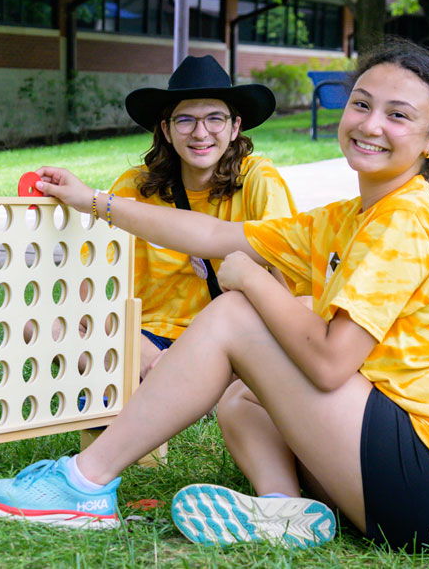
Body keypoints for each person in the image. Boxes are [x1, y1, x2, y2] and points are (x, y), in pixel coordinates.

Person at [0, 39, 429, 552]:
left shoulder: (404, 220)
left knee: (235, 314)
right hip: (422, 480)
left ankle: (82, 485)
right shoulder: (355, 214)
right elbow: (211, 235)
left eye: (398, 115)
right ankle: (284, 512)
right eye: (361, 104)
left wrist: (250, 281)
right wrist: (92, 201)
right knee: (242, 398)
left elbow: (328, 364)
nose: (370, 124)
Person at [111, 54, 296, 378]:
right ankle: (162, 373)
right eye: (185, 120)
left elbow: (288, 283)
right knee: (38, 323)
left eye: (215, 118)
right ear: (166, 130)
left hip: (223, 339)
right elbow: (93, 286)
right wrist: (142, 350)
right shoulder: (133, 187)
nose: (200, 133)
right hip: (140, 336)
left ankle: (166, 378)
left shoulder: (258, 179)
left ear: (235, 126)